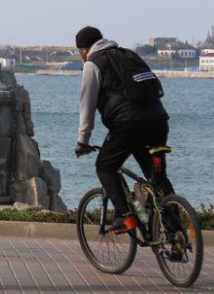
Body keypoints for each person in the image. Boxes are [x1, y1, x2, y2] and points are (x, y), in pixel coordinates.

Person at [73, 26, 175, 233]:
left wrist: (83, 141)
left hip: (127, 124)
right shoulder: (128, 55)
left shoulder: (93, 64)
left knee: (105, 167)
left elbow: (87, 105)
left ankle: (124, 216)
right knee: (156, 177)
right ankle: (175, 233)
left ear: (83, 50)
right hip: (158, 120)